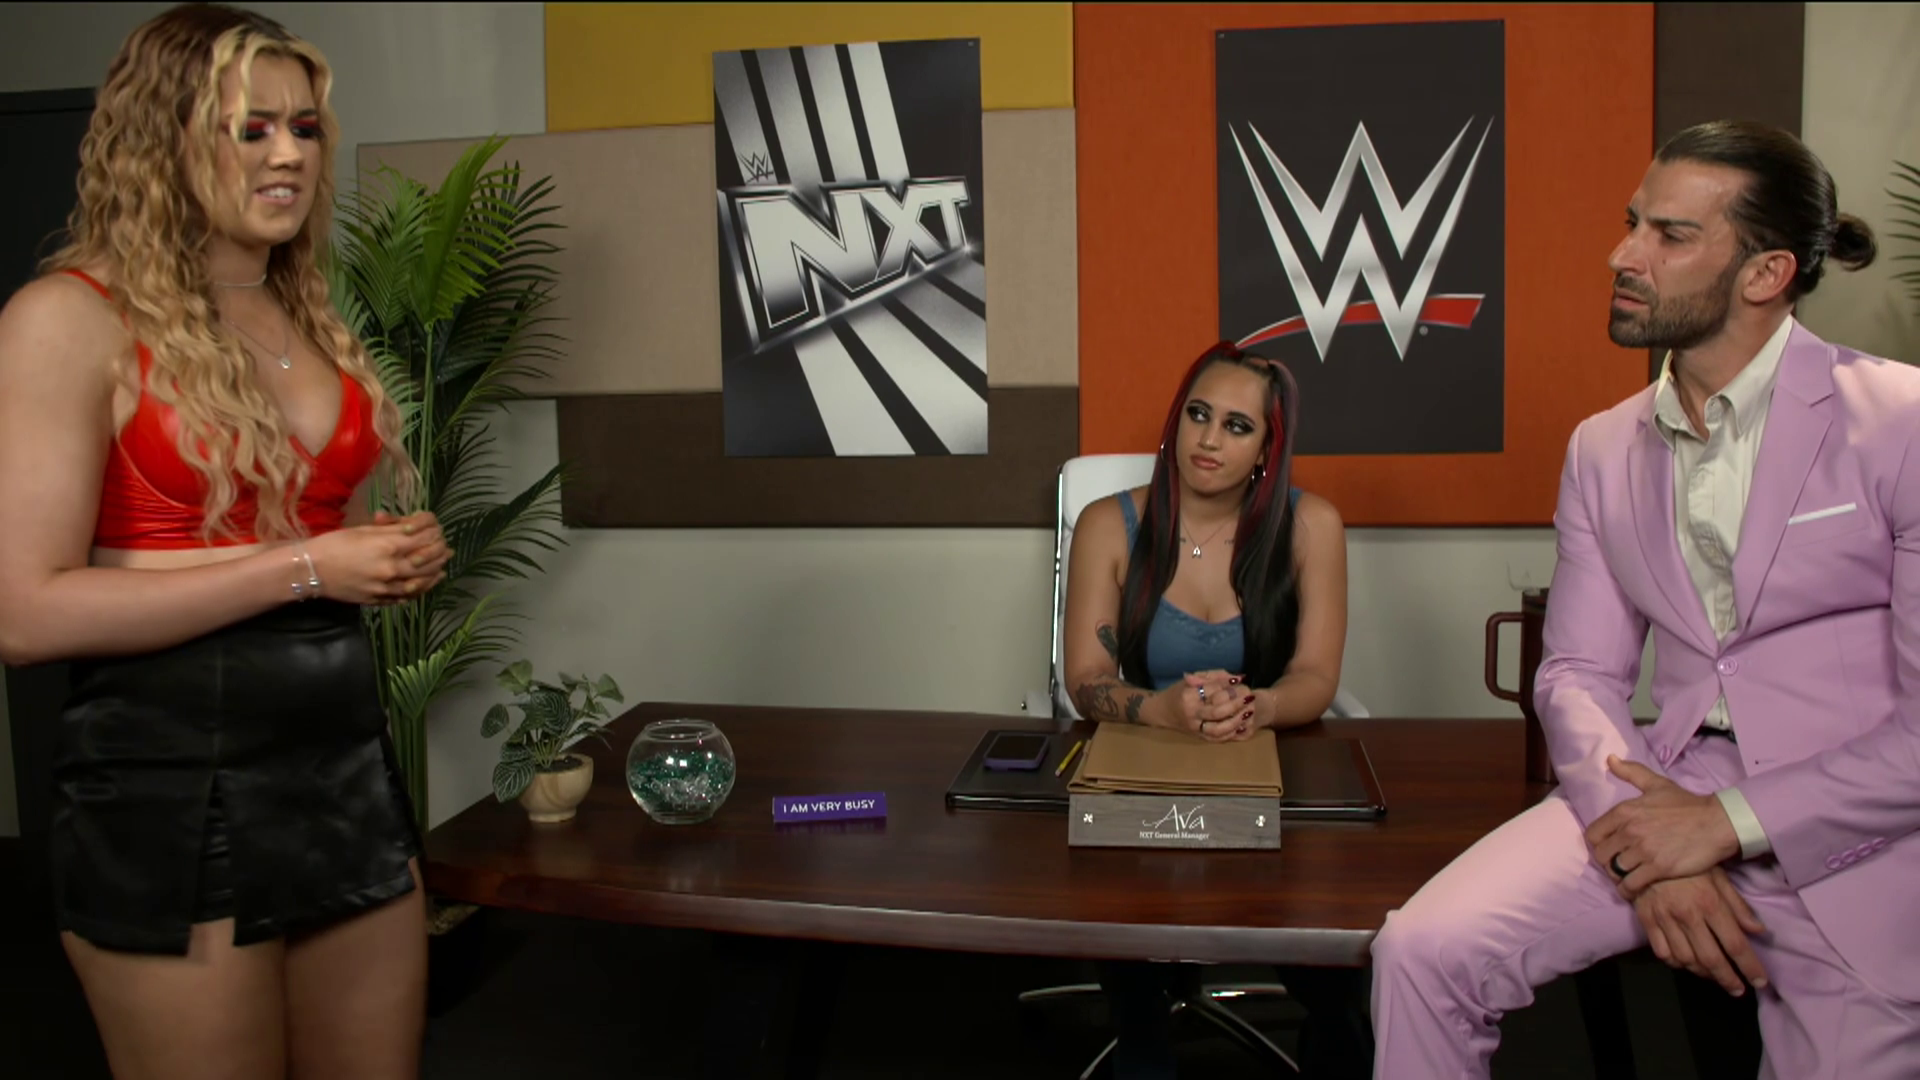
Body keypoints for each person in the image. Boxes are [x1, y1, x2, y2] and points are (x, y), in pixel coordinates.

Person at [1368, 119, 1920, 1078]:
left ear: (1766, 273)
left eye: (1670, 235)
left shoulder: (1901, 423)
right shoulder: (1601, 446)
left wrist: (1721, 826)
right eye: (1634, 223)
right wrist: (1643, 846)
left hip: (1858, 823)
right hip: (1660, 783)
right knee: (1421, 951)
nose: (1622, 255)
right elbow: (1577, 672)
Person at [0, 5, 453, 1077]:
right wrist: (307, 567)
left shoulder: (302, 315)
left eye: (304, 127)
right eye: (250, 129)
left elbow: (293, 538)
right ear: (163, 139)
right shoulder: (67, 318)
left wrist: (379, 555)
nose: (288, 153)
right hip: (166, 792)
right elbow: (25, 613)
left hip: (341, 776)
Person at [1061, 341, 1369, 1078]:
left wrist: (1254, 707)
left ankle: (1332, 1024)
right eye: (1198, 415)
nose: (1208, 438)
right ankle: (1142, 1033)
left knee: (1336, 990)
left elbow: (1316, 674)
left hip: (1266, 755)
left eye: (1237, 426)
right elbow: (1086, 679)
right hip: (1142, 757)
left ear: (1267, 448)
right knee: (1128, 917)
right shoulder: (1109, 524)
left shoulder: (1311, 525)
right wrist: (1163, 710)